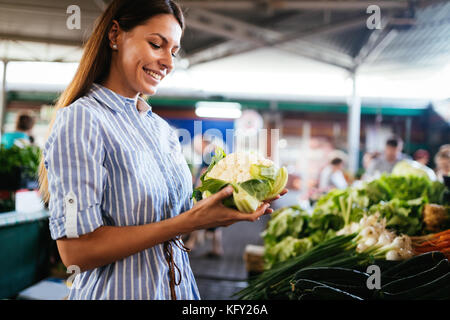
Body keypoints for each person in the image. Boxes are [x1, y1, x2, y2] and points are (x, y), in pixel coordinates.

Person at [38, 0, 285, 300]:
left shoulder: (160, 130)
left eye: (174, 52)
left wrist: (221, 211)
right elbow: (77, 251)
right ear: (115, 35)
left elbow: (171, 224)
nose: (168, 62)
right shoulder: (83, 120)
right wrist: (192, 222)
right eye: (157, 44)